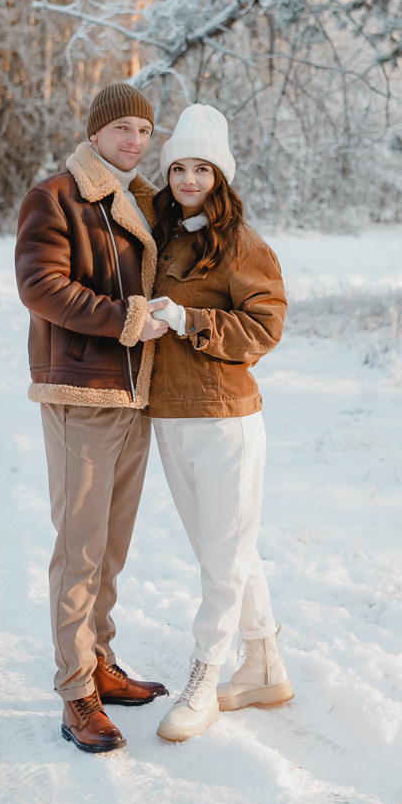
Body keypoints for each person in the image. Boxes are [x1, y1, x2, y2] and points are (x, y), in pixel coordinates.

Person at [15, 82, 171, 755]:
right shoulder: (56, 196)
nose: (134, 141)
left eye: (143, 130)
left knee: (109, 547)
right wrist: (130, 321)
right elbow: (41, 286)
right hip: (82, 392)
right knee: (79, 549)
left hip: (132, 394)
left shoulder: (135, 200)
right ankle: (75, 688)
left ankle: (100, 661)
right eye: (123, 130)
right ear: (97, 132)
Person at [148, 103, 294, 742]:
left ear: (220, 176)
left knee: (221, 558)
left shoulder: (240, 243)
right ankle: (263, 665)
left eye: (200, 168)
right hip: (168, 414)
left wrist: (188, 320)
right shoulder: (160, 232)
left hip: (225, 419)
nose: (186, 179)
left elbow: (267, 326)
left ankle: (206, 677)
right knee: (224, 551)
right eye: (178, 166)